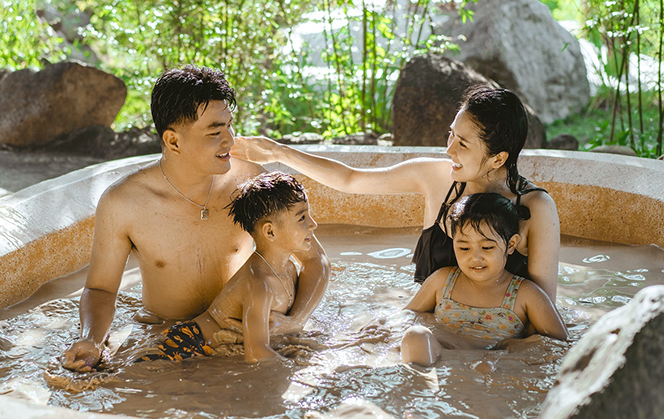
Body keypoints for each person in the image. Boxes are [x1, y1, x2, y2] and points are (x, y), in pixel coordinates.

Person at [62, 66, 330, 372]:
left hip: (250, 334)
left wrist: (296, 319)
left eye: (230, 126)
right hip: (169, 338)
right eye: (215, 132)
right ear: (173, 141)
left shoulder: (251, 183)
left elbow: (313, 259)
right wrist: (92, 341)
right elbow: (101, 290)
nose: (230, 140)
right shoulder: (124, 203)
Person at [231, 86, 560, 302]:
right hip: (430, 328)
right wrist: (279, 152)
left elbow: (542, 311)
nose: (449, 149)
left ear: (498, 158)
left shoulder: (534, 210)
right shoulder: (436, 179)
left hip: (495, 341)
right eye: (451, 135)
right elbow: (350, 180)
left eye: (463, 143)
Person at [140, 172, 323, 363]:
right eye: (302, 218)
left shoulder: (290, 269)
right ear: (270, 231)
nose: (313, 224)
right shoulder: (260, 285)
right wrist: (299, 368)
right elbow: (257, 354)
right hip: (185, 345)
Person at [401, 193, 568, 366]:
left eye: (487, 247)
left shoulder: (525, 293)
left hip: (493, 364)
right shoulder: (443, 281)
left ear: (511, 245)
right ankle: (420, 386)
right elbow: (407, 314)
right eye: (464, 247)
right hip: (440, 358)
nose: (475, 257)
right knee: (415, 335)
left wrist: (520, 345)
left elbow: (559, 343)